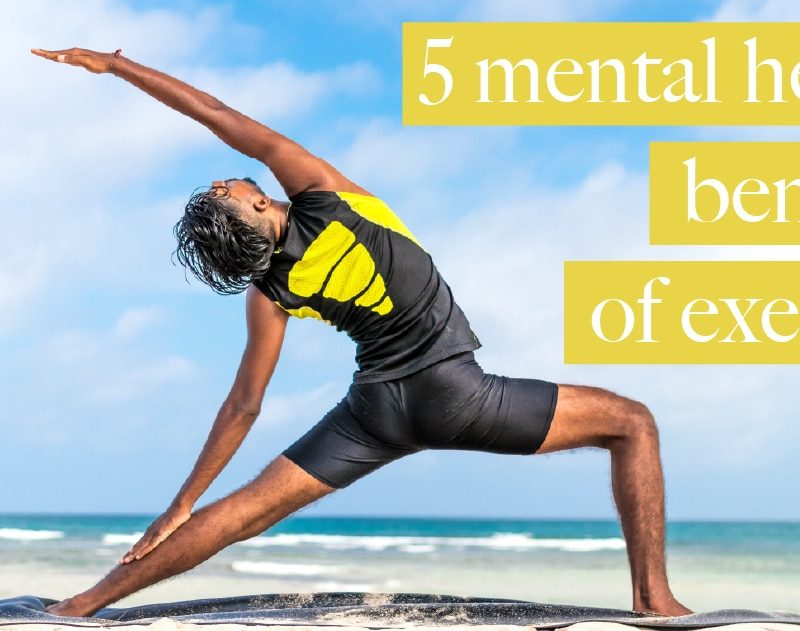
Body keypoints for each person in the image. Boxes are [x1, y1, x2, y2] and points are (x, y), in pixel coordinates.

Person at [31, 47, 691, 618]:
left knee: (242, 512)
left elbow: (244, 404)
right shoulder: (325, 195)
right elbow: (221, 116)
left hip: (374, 412)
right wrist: (115, 65)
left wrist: (179, 504)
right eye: (223, 192)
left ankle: (82, 603)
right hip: (455, 391)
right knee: (632, 421)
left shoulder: (271, 291)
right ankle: (653, 597)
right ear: (259, 204)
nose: (220, 179)